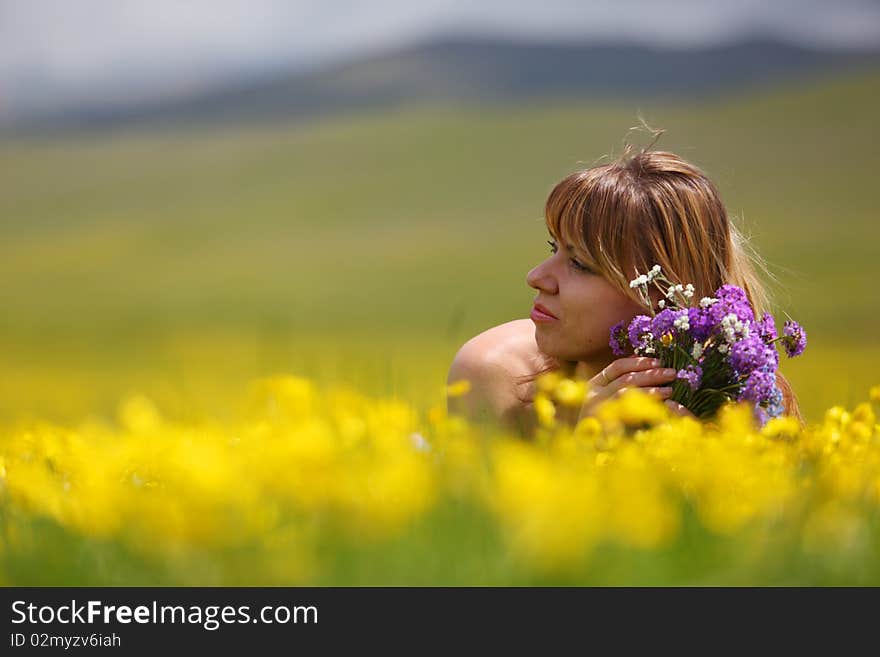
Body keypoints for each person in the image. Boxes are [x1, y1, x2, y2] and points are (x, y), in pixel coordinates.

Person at [446, 136, 801, 437]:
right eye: (554, 248)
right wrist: (584, 443)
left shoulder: (741, 406)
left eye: (580, 264)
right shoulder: (498, 372)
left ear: (664, 296)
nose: (536, 277)